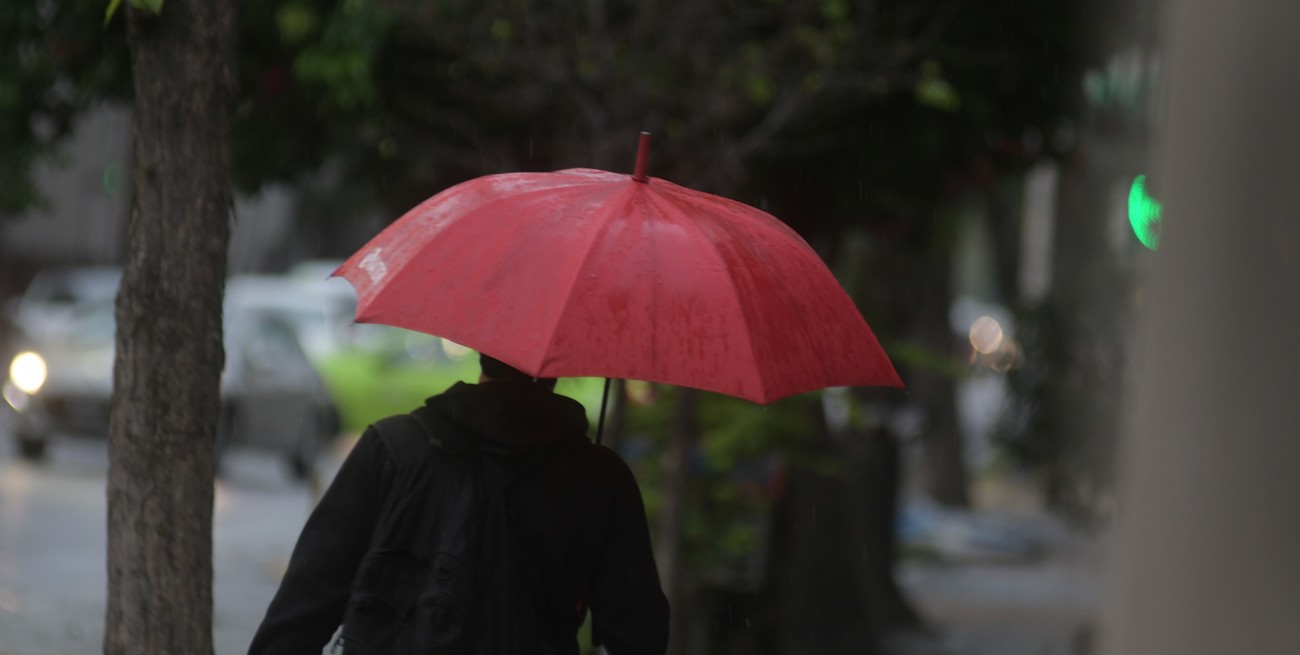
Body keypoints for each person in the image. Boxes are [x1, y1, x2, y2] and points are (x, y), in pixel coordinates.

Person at [248, 354, 669, 654]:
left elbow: (302, 610)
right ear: (561, 366)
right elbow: (640, 634)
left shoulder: (393, 449)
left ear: (482, 349)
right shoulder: (599, 478)